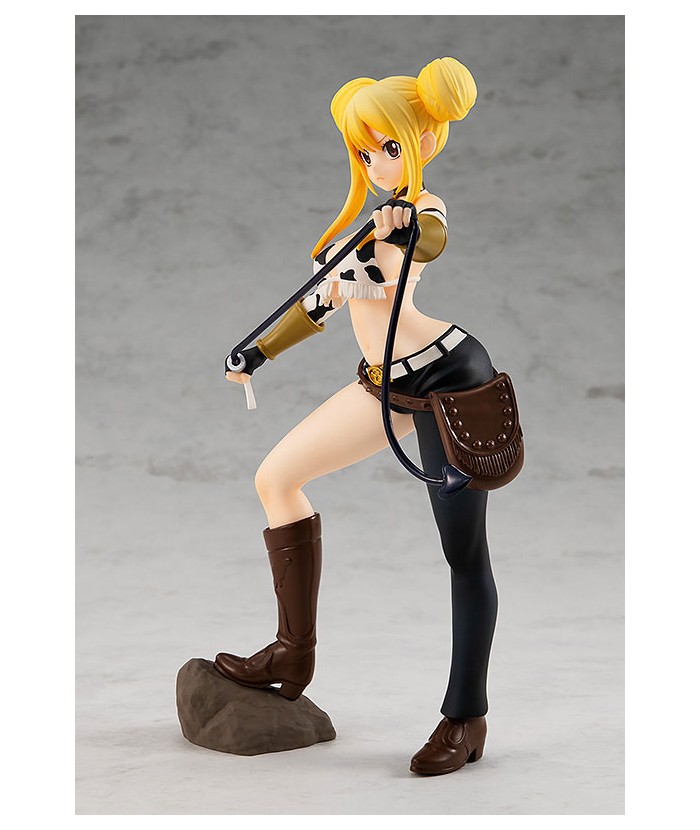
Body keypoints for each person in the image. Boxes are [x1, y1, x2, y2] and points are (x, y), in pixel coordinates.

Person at [216, 57, 498, 776]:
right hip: (380, 385)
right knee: (276, 479)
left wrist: (401, 229)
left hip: (446, 378)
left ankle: (465, 717)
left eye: (389, 148)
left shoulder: (420, 210)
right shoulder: (358, 230)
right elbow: (318, 305)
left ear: (424, 141)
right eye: (365, 152)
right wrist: (257, 353)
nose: (376, 164)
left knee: (463, 553)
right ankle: (292, 656)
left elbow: (430, 240)